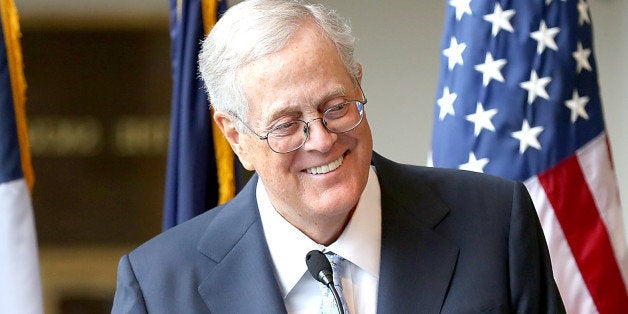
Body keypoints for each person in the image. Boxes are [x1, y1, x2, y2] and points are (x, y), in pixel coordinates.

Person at [112, 0, 565, 313]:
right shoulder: (159, 286)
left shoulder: (493, 221)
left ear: (358, 84)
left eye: (335, 108)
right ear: (236, 136)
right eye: (287, 124)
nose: (322, 140)